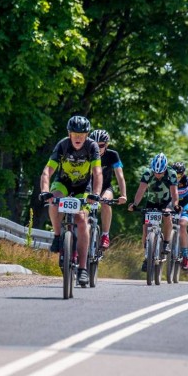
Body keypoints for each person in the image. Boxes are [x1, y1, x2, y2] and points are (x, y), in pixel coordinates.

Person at [38, 116, 102, 286]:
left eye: (82, 134)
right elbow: (47, 171)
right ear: (69, 134)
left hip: (83, 187)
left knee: (81, 219)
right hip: (63, 183)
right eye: (75, 134)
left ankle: (82, 269)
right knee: (53, 201)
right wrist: (44, 191)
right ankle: (57, 236)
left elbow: (97, 172)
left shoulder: (92, 146)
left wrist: (96, 194)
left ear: (87, 135)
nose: (78, 137)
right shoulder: (62, 145)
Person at [128, 153, 180, 272]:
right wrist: (135, 204)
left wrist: (175, 205)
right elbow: (141, 190)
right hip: (151, 201)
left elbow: (174, 193)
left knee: (167, 216)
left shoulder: (172, 173)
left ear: (165, 169)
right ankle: (147, 256)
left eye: (160, 173)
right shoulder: (147, 173)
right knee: (146, 229)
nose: (157, 175)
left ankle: (166, 242)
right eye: (155, 172)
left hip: (166, 201)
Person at [88, 129, 126, 249]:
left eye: (101, 145)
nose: (98, 148)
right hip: (88, 188)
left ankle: (105, 235)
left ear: (107, 145)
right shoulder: (85, 154)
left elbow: (120, 176)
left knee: (105, 202)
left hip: (105, 187)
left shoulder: (112, 155)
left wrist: (123, 195)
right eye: (95, 145)